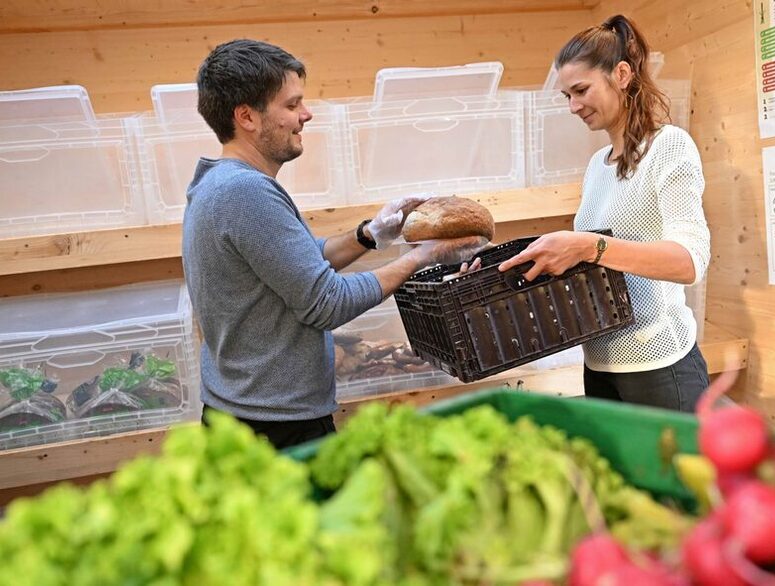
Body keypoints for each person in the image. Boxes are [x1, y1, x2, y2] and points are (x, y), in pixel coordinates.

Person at [183, 39, 484, 449]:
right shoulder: (246, 194)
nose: (305, 115)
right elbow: (326, 302)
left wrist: (372, 234)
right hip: (272, 426)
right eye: (291, 105)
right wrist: (422, 257)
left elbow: (299, 264)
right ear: (247, 117)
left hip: (247, 410)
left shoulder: (222, 183)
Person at [498, 15, 711, 413]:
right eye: (567, 96)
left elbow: (688, 262)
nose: (574, 106)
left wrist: (587, 245)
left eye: (581, 90)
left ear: (622, 74)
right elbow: (595, 263)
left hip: (661, 367)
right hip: (598, 364)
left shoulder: (669, 148)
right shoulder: (598, 165)